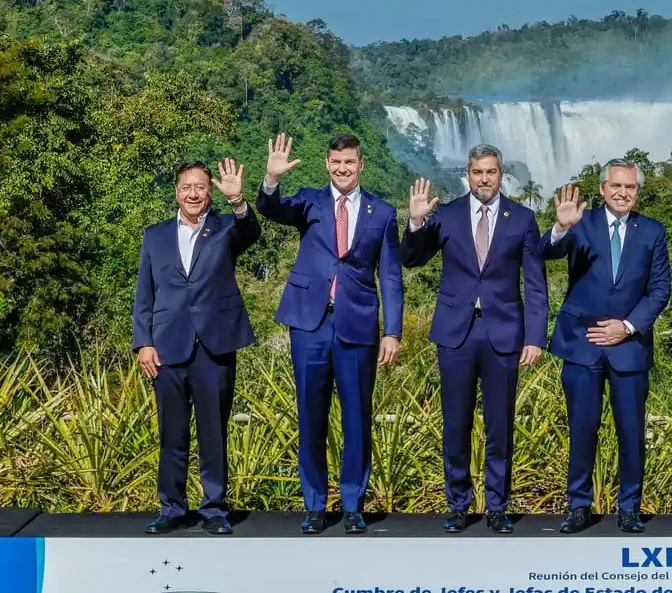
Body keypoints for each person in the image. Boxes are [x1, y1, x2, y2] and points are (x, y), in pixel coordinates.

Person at [255, 133, 404, 535]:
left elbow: (390, 276)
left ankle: (353, 504)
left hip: (357, 325)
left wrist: (393, 331)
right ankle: (315, 505)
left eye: (349, 162)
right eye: (336, 162)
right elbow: (271, 209)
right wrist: (270, 180)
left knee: (357, 417)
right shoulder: (309, 201)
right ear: (327, 163)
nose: (342, 169)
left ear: (361, 165)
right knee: (311, 416)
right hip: (310, 323)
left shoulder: (384, 212)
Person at [401, 143, 548, 534]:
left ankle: (498, 506)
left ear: (501, 174)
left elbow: (535, 284)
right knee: (456, 422)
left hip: (504, 332)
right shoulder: (445, 215)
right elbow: (412, 259)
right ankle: (459, 504)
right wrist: (415, 223)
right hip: (455, 332)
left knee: (500, 423)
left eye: (492, 172)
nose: (485, 179)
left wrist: (535, 337)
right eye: (478, 172)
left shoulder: (523, 219)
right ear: (468, 174)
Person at [540, 159, 672, 534]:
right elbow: (545, 252)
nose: (622, 192)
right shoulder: (580, 222)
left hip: (628, 347)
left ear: (637, 191)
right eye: (616, 186)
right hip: (581, 345)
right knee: (582, 429)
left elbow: (660, 289)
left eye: (630, 187)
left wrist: (627, 327)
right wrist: (560, 227)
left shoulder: (652, 231)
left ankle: (629, 507)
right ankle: (579, 506)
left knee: (631, 431)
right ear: (602, 189)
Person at [133, 158, 260, 535]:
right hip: (167, 346)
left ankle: (214, 508)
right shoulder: (154, 236)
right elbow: (145, 294)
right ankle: (171, 508)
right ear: (176, 191)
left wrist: (238, 201)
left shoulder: (225, 229)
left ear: (209, 192)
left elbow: (250, 231)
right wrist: (144, 343)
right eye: (187, 187)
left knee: (213, 431)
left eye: (201, 187)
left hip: (214, 343)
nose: (193, 193)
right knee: (172, 434)